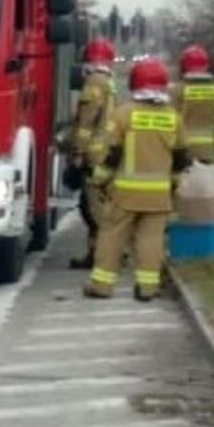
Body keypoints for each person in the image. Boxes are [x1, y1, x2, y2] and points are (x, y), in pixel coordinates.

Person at [84, 58, 187, 302]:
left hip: (125, 193)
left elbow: (112, 156)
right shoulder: (173, 117)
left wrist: (99, 181)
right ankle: (147, 288)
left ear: (135, 84)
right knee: (151, 240)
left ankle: (101, 286)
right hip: (159, 194)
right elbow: (181, 157)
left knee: (111, 236)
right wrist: (173, 184)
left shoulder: (123, 114)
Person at [69, 38, 119, 270]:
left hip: (94, 155)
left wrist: (77, 152)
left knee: (94, 208)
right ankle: (95, 253)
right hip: (107, 152)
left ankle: (108, 253)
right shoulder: (109, 81)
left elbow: (85, 123)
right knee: (95, 206)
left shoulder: (94, 82)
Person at [173, 45, 214, 164]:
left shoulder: (178, 90)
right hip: (207, 151)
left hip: (182, 150)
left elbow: (171, 117)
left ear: (183, 66)